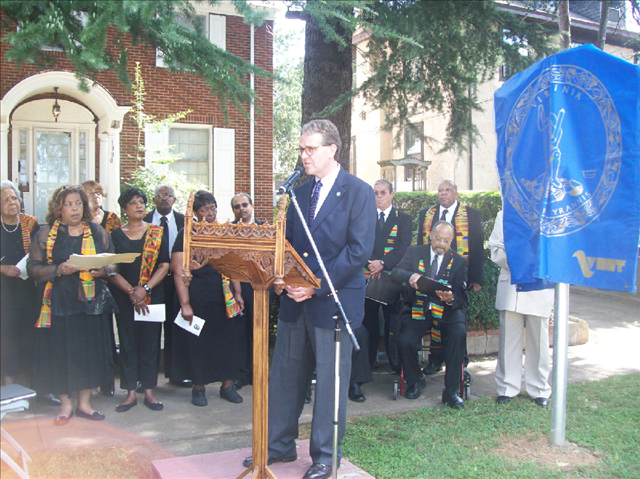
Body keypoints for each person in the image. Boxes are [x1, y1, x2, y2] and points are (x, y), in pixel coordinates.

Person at [243, 119, 376, 479]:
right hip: (293, 302)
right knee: (285, 377)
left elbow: (357, 251)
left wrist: (315, 287)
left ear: (332, 149)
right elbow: (287, 246)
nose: (304, 156)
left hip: (332, 303)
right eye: (301, 149)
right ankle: (277, 445)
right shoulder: (299, 194)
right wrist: (281, 277)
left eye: (311, 149)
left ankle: (325, 456)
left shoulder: (358, 192)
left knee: (330, 384)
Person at [29, 185, 117, 425]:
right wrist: (58, 269)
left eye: (78, 203)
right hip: (58, 304)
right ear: (59, 208)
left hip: (90, 304)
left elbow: (113, 262)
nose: (74, 209)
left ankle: (84, 404)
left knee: (88, 354)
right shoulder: (46, 233)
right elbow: (33, 269)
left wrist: (104, 270)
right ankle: (66, 405)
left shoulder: (97, 231)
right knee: (61, 354)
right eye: (68, 204)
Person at [171, 190, 245, 406]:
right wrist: (185, 303)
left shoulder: (223, 231)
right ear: (195, 213)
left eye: (213, 207)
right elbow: (178, 269)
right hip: (197, 296)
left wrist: (238, 293)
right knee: (198, 344)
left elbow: (233, 265)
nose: (210, 213)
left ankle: (227, 386)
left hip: (224, 297)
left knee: (228, 343)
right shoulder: (187, 232)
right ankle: (199, 388)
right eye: (204, 209)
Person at [391, 221, 468, 408]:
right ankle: (416, 379)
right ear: (431, 235)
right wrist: (410, 276)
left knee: (458, 334)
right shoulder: (414, 252)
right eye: (438, 239)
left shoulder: (459, 261)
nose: (441, 244)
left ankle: (451, 391)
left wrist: (451, 298)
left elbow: (462, 296)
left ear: (451, 241)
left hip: (447, 310)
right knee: (405, 340)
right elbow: (395, 273)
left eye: (446, 241)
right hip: (419, 307)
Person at [350, 179, 412, 402]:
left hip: (391, 279)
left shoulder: (404, 219)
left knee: (393, 323)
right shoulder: (364, 217)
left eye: (383, 192)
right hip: (368, 276)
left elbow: (403, 248)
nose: (379, 196)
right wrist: (372, 264)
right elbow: (358, 242)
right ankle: (366, 366)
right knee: (367, 324)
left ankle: (396, 364)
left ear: (392, 194)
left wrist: (383, 264)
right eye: (375, 193)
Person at [109, 187, 169, 412]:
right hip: (125, 297)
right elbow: (111, 269)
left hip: (152, 295)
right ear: (124, 209)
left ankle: (150, 392)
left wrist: (144, 289)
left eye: (142, 202)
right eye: (133, 203)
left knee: (150, 343)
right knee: (128, 343)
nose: (139, 206)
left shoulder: (157, 232)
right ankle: (130, 393)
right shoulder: (115, 235)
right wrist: (131, 292)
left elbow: (164, 265)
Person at [416, 180, 483, 375]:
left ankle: (460, 360)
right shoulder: (427, 214)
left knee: (456, 320)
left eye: (447, 190)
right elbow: (421, 244)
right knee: (434, 317)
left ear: (456, 194)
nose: (443, 194)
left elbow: (477, 246)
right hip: (433, 274)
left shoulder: (471, 214)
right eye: (440, 190)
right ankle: (435, 360)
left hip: (458, 276)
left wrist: (476, 278)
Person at [489, 210, 554, 407]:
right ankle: (507, 387)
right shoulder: (504, 214)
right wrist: (520, 262)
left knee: (539, 340)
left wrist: (533, 262)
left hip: (539, 282)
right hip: (512, 282)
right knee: (508, 339)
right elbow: (496, 249)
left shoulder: (548, 213)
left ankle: (539, 388)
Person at [82, 180, 122, 397]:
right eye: (90, 193)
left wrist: (106, 270)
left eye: (98, 193)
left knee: (106, 334)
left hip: (109, 282)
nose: (96, 196)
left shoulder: (112, 219)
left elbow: (117, 250)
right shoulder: (78, 220)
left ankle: (107, 382)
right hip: (83, 284)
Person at [143, 185, 186, 385]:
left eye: (168, 195)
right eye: (159, 195)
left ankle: (175, 374)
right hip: (151, 282)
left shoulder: (184, 221)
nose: (164, 198)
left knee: (175, 329)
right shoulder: (143, 221)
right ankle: (146, 379)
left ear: (174, 200)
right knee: (149, 331)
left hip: (176, 282)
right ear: (154, 200)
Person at [1, 181, 40, 385]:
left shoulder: (30, 224)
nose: (11, 203)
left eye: (14, 198)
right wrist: (2, 268)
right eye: (5, 200)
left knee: (30, 337)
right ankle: (9, 388)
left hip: (28, 289)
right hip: (4, 293)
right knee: (6, 339)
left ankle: (32, 387)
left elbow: (43, 251)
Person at [230, 192, 266, 390]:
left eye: (244, 205)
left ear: (252, 205)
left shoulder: (265, 228)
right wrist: (237, 292)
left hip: (261, 286)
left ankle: (259, 373)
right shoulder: (230, 230)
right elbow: (230, 263)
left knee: (259, 330)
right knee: (239, 332)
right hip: (238, 286)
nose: (241, 209)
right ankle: (241, 375)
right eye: (237, 206)